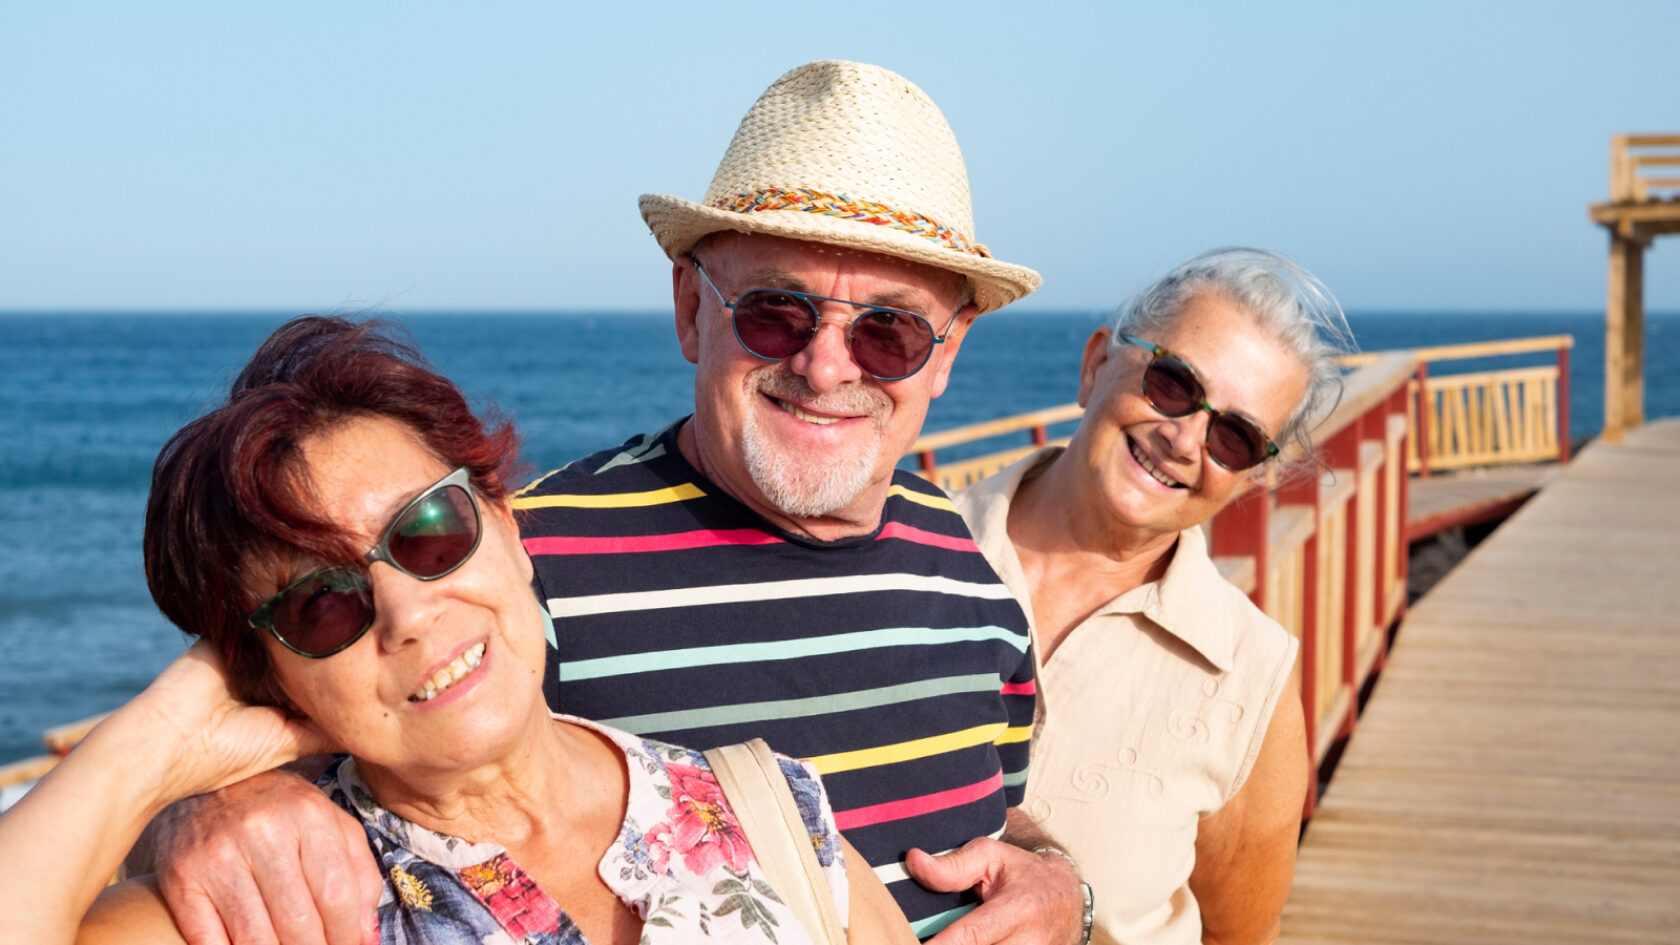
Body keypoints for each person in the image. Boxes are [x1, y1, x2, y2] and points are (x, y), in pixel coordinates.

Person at [144, 61, 1090, 945]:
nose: (825, 364)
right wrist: (205, 812)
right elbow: (309, 737)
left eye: (889, 330)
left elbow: (995, 810)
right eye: (775, 310)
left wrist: (1059, 880)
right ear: (690, 308)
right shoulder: (501, 568)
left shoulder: (970, 574)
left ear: (947, 354)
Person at [0, 316, 918, 945]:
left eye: (429, 531)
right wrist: (160, 744)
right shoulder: (273, 904)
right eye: (323, 603)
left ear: (508, 526)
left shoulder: (772, 812)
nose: (407, 611)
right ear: (274, 675)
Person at [952, 248, 1356, 945]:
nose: (1184, 438)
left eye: (1235, 436)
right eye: (1172, 383)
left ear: (1253, 478)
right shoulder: (906, 551)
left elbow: (1239, 933)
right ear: (1095, 363)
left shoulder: (1249, 677)